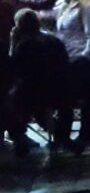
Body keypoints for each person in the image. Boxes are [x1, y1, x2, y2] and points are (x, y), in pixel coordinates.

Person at [51, 0, 90, 152]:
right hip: (70, 56)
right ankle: (65, 136)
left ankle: (85, 135)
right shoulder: (64, 7)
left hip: (87, 58)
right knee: (69, 97)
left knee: (85, 96)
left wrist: (84, 57)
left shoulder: (86, 8)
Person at [6, 9, 70, 157]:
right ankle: (61, 135)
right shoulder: (54, 41)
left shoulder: (24, 45)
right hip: (58, 90)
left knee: (10, 102)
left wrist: (12, 42)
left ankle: (19, 138)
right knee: (40, 107)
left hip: (32, 92)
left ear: (19, 26)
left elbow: (12, 67)